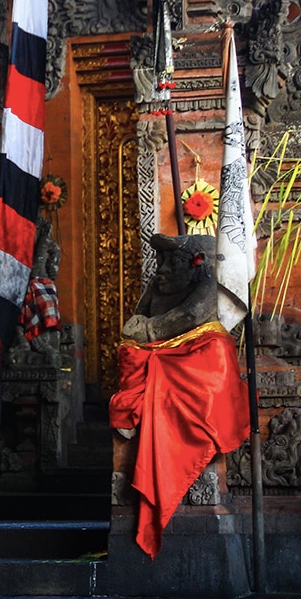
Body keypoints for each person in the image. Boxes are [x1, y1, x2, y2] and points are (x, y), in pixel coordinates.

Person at [109, 233, 249, 558]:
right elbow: (133, 322)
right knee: (131, 353)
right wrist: (142, 330)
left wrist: (146, 329)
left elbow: (186, 318)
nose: (165, 269)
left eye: (173, 262)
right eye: (163, 261)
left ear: (196, 265)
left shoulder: (206, 289)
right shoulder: (156, 287)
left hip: (194, 358)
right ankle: (133, 409)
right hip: (156, 352)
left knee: (213, 350)